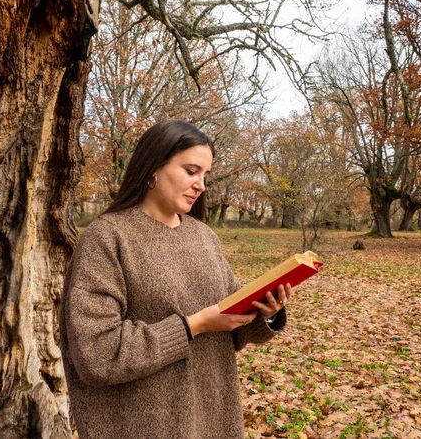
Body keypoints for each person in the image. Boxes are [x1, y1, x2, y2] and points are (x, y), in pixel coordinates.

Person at [59, 120, 291, 439]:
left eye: (205, 176)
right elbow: (95, 353)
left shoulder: (204, 237)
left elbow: (228, 328)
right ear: (154, 166)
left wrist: (265, 312)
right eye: (192, 171)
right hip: (141, 426)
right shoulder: (108, 238)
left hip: (213, 419)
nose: (201, 185)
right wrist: (193, 326)